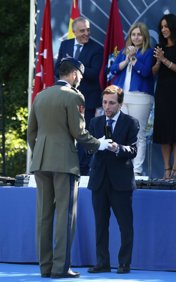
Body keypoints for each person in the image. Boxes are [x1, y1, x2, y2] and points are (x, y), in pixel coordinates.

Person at [27, 58, 112, 279]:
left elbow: (31, 133)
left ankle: (45, 267)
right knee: (65, 216)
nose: (80, 81)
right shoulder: (74, 96)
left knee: (44, 217)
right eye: (80, 76)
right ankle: (61, 268)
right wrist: (100, 144)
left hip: (41, 162)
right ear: (74, 74)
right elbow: (79, 132)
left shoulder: (40, 96)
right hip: (64, 162)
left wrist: (40, 154)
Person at [87, 85, 139, 274]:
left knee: (125, 225)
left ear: (120, 104)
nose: (107, 106)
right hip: (99, 180)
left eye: (111, 103)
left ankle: (124, 263)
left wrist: (118, 148)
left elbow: (133, 151)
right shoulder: (95, 122)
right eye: (104, 102)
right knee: (101, 225)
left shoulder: (130, 123)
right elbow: (87, 149)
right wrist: (94, 146)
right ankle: (102, 263)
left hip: (121, 182)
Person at [55, 16, 104, 176]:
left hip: (87, 100)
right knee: (65, 133)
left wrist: (71, 63)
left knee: (84, 134)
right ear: (74, 31)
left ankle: (83, 171)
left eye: (88, 30)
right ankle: (65, 166)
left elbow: (93, 73)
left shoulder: (97, 48)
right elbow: (58, 70)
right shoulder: (65, 45)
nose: (86, 33)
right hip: (65, 98)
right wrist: (71, 67)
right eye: (82, 30)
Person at [110, 22, 154, 176]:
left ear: (144, 37)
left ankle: (137, 170)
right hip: (122, 95)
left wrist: (134, 59)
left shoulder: (149, 52)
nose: (136, 37)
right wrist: (127, 58)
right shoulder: (123, 52)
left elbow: (146, 72)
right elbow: (114, 69)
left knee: (139, 133)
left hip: (141, 97)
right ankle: (123, 166)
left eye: (139, 34)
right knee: (121, 132)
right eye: (133, 34)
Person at [152, 13, 176, 179]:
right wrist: (159, 61)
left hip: (175, 91)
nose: (163, 30)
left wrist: (165, 60)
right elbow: (154, 72)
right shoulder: (159, 47)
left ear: (173, 27)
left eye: (166, 26)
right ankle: (166, 169)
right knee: (164, 129)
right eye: (161, 27)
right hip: (161, 91)